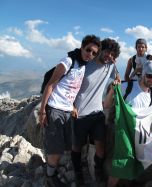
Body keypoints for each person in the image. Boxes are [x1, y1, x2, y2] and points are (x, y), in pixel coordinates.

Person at [38, 35, 101, 186]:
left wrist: (72, 106)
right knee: (55, 149)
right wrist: (42, 111)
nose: (90, 55)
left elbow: (71, 88)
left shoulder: (83, 65)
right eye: (88, 50)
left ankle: (53, 171)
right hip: (55, 108)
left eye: (94, 53)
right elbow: (50, 85)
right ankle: (50, 178)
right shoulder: (68, 61)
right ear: (82, 47)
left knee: (63, 146)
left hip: (66, 111)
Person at [71, 38, 121, 186]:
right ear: (100, 50)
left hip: (97, 113)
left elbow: (117, 77)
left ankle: (97, 170)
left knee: (100, 145)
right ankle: (78, 173)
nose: (109, 56)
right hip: (79, 113)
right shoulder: (86, 64)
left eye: (113, 55)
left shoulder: (110, 66)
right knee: (77, 146)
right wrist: (72, 106)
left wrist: (116, 79)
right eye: (107, 52)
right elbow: (71, 86)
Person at [104, 60, 152, 187]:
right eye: (149, 75)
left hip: (135, 136)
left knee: (129, 165)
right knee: (119, 164)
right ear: (143, 74)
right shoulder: (127, 87)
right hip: (120, 133)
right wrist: (112, 91)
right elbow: (106, 104)